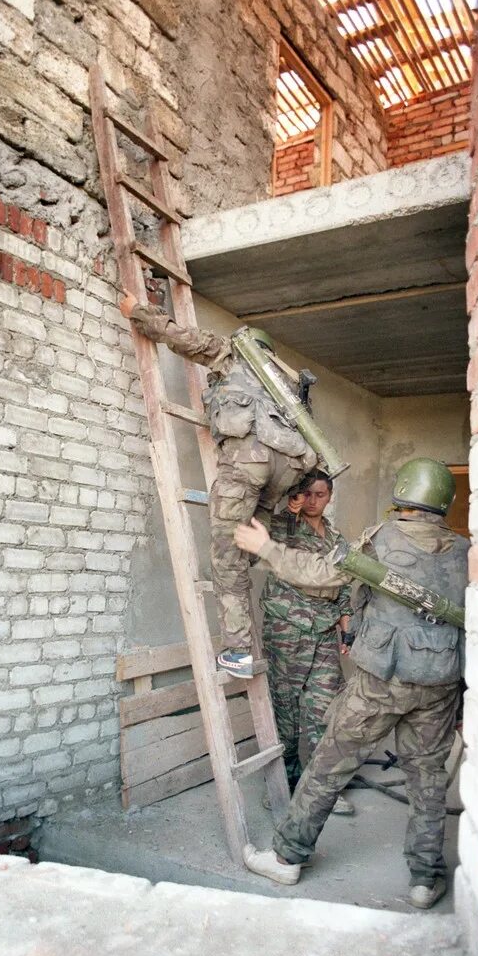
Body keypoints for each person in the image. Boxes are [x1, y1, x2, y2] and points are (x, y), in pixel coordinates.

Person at [235, 458, 468, 909]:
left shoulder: (380, 538)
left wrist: (267, 548)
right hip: (440, 683)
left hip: (380, 679)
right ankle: (424, 880)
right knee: (428, 781)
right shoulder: (466, 551)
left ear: (401, 493)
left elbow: (322, 577)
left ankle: (286, 858)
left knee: (330, 763)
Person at [119, 290, 318, 679]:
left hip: (247, 465)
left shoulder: (233, 353)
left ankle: (237, 651)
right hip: (287, 470)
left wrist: (137, 311)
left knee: (226, 558)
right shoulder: (288, 385)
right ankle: (243, 587)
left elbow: (181, 337)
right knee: (246, 549)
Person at [261, 469, 354, 815]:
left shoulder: (335, 537)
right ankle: (282, 785)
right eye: (308, 494)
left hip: (324, 632)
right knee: (284, 709)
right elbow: (265, 543)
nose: (314, 501)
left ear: (329, 497)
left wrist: (347, 627)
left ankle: (319, 790)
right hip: (288, 629)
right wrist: (290, 507)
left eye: (321, 495)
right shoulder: (284, 525)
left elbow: (344, 587)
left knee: (325, 712)